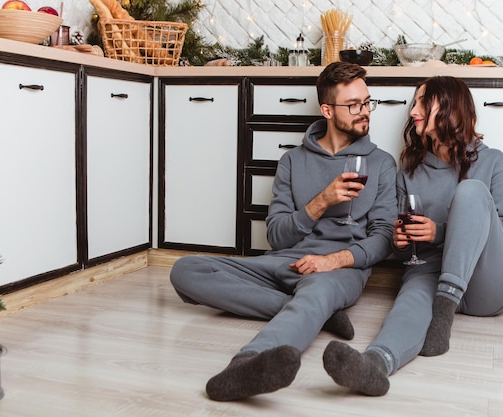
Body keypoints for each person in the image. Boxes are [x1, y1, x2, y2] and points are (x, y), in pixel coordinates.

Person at [169, 61, 397, 401]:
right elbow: (276, 236)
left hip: (338, 270)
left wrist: (333, 261)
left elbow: (383, 237)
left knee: (316, 294)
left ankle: (245, 363)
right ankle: (317, 314)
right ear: (327, 110)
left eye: (367, 102)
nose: (365, 112)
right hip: (282, 262)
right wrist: (321, 201)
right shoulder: (293, 161)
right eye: (354, 105)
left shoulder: (381, 164)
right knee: (185, 270)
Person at [322, 76, 503, 396]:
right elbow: (409, 255)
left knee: (471, 192)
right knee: (408, 303)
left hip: (489, 281)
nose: (413, 111)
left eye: (421, 102)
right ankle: (376, 363)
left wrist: (438, 232)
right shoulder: (410, 171)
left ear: (448, 108)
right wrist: (402, 244)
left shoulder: (491, 160)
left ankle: (442, 313)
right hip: (431, 269)